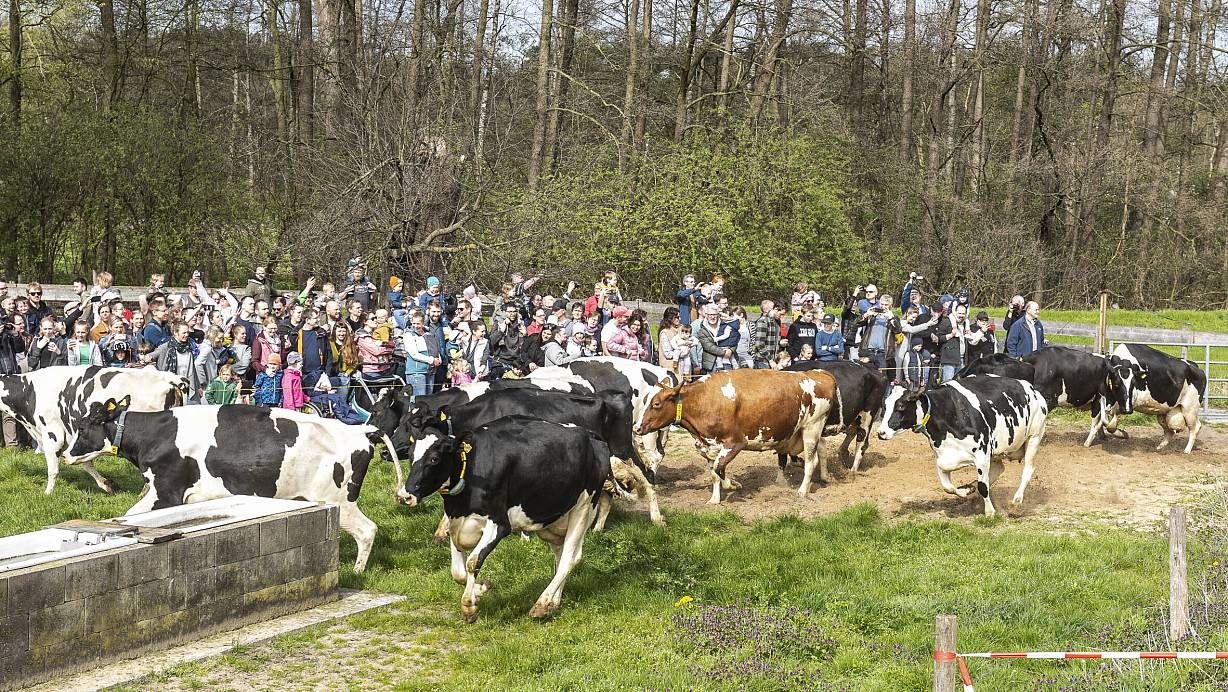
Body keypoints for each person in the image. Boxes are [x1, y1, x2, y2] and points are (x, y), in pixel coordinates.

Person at [146, 321, 204, 400]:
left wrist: (198, 387)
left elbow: (192, 370)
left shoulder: (189, 346)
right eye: (184, 333)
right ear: (176, 333)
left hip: (188, 385)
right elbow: (153, 354)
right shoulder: (166, 347)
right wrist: (148, 357)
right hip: (172, 385)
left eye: (187, 332)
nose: (186, 335)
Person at [857, 294, 900, 374]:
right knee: (865, 376)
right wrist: (866, 314)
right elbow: (856, 323)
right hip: (868, 351)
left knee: (881, 377)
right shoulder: (873, 316)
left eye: (886, 305)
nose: (883, 306)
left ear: (890, 305)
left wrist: (891, 318)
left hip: (883, 353)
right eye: (882, 304)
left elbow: (898, 330)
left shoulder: (894, 317)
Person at [290, 309, 332, 389]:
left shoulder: (321, 333)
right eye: (315, 318)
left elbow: (329, 353)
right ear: (307, 320)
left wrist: (327, 373)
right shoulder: (295, 334)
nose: (318, 320)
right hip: (303, 374)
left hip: (320, 373)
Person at [935, 304, 971, 382]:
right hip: (949, 359)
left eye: (963, 313)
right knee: (948, 383)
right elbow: (938, 338)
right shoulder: (947, 321)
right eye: (959, 313)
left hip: (961, 359)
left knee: (959, 384)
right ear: (955, 312)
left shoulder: (966, 324)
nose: (961, 315)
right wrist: (951, 335)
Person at [326, 322, 361, 402]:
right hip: (331, 375)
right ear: (335, 332)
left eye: (343, 331)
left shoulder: (349, 344)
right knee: (331, 402)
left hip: (343, 376)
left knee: (342, 401)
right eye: (339, 331)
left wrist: (347, 373)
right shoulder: (330, 343)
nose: (341, 334)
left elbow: (355, 361)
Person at [489, 304, 525, 378]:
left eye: (515, 311)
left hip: (516, 361)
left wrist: (525, 334)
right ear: (505, 312)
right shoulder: (499, 322)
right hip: (501, 360)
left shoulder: (520, 323)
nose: (512, 314)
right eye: (510, 312)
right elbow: (491, 342)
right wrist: (501, 331)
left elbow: (524, 343)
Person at [696, 305, 735, 373]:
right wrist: (724, 353)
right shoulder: (702, 330)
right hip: (711, 364)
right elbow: (708, 346)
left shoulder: (726, 325)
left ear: (718, 315)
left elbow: (735, 338)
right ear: (706, 315)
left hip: (728, 361)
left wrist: (731, 350)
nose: (712, 317)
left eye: (714, 314)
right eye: (710, 315)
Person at [403, 311, 434, 397]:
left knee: (428, 398)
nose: (416, 326)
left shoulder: (427, 334)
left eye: (418, 323)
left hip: (428, 370)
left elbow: (433, 348)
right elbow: (414, 354)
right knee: (419, 399)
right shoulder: (409, 335)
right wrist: (431, 360)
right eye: (414, 323)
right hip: (416, 372)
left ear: (423, 323)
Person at [356, 311, 395, 377]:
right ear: (365, 322)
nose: (376, 320)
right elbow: (376, 351)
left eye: (376, 318)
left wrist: (386, 345)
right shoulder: (362, 336)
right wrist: (390, 349)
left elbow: (393, 343)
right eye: (372, 319)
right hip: (372, 370)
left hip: (386, 367)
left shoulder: (379, 332)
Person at [751, 301, 783, 369]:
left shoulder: (777, 321)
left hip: (773, 361)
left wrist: (780, 343)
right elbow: (759, 343)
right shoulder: (762, 321)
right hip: (763, 361)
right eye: (773, 308)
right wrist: (770, 360)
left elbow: (773, 341)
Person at [657, 307, 684, 374]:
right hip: (671, 369)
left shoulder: (681, 329)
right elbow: (667, 354)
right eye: (677, 317)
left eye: (679, 317)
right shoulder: (665, 333)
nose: (679, 319)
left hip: (682, 368)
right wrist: (682, 353)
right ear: (670, 318)